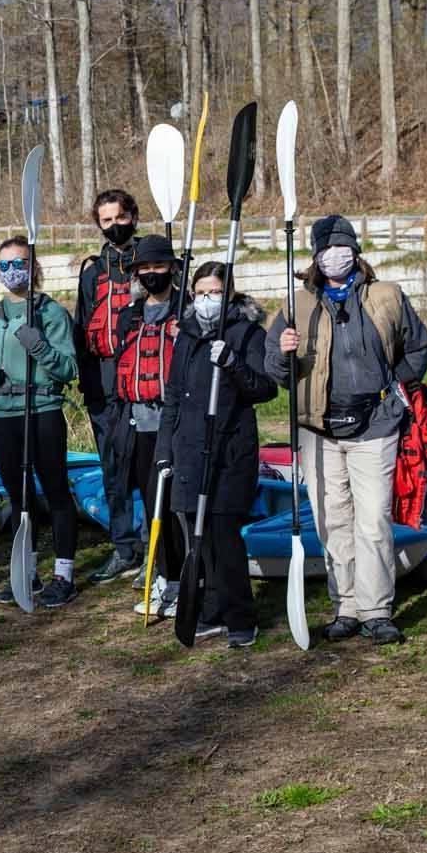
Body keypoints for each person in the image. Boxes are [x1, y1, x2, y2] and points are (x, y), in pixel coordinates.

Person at [267, 215, 427, 645]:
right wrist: (282, 354)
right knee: (332, 521)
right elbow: (274, 369)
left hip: (375, 426)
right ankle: (346, 606)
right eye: (326, 249)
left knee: (374, 520)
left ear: (355, 250)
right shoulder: (296, 305)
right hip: (318, 430)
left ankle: (377, 609)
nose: (334, 255)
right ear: (314, 255)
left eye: (342, 247)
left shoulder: (386, 296)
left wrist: (397, 389)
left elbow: (420, 346)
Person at [158, 262, 279, 647]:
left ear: (229, 294)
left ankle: (240, 615)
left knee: (224, 536)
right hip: (189, 450)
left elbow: (264, 389)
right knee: (198, 538)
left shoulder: (247, 334)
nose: (207, 300)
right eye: (200, 293)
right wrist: (165, 451)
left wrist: (232, 364)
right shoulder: (188, 336)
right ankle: (211, 611)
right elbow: (173, 397)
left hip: (229, 448)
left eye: (214, 292)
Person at [0, 236, 82, 609]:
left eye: (18, 263)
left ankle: (64, 574)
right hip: (2, 417)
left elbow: (68, 368)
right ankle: (27, 570)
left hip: (42, 409)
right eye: (3, 265)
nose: (10, 271)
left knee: (55, 491)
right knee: (19, 497)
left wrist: (40, 347)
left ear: (32, 268)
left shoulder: (50, 314)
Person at [105, 234, 185, 616]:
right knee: (150, 502)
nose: (152, 274)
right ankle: (162, 578)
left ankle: (183, 579)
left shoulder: (184, 311)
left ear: (171, 268)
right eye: (145, 269)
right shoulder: (130, 315)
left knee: (170, 506)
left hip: (176, 426)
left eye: (159, 266)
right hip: (139, 424)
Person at [74, 188, 147, 582]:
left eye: (120, 218)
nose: (114, 226)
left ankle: (159, 548)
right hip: (104, 386)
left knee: (152, 469)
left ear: (132, 216)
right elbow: (83, 331)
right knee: (113, 470)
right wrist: (89, 388)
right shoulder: (92, 272)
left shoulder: (152, 262)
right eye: (106, 221)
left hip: (146, 384)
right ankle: (124, 547)